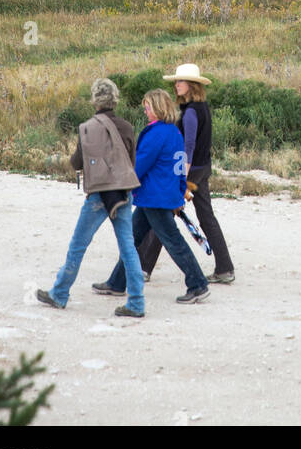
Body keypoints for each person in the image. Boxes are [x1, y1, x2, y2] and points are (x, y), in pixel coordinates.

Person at [37, 77, 145, 318]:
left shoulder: (87, 127)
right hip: (122, 193)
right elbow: (131, 161)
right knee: (128, 248)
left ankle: (59, 293)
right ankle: (137, 303)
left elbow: (76, 162)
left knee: (78, 246)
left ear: (95, 99)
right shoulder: (127, 127)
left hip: (98, 195)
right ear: (115, 98)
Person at [94, 87, 210, 304]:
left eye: (147, 107)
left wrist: (119, 184)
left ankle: (198, 284)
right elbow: (178, 165)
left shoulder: (155, 133)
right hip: (159, 197)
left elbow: (139, 166)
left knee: (172, 242)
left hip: (154, 198)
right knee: (132, 239)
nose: (145, 111)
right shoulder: (174, 132)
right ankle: (117, 283)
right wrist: (179, 192)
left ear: (156, 108)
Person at [140, 61, 234, 284]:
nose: (177, 85)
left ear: (192, 85)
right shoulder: (202, 108)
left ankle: (144, 267)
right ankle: (225, 268)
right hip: (203, 169)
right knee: (206, 216)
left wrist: (181, 176)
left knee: (163, 215)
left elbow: (188, 147)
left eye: (181, 81)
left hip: (191, 172)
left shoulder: (191, 111)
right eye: (176, 81)